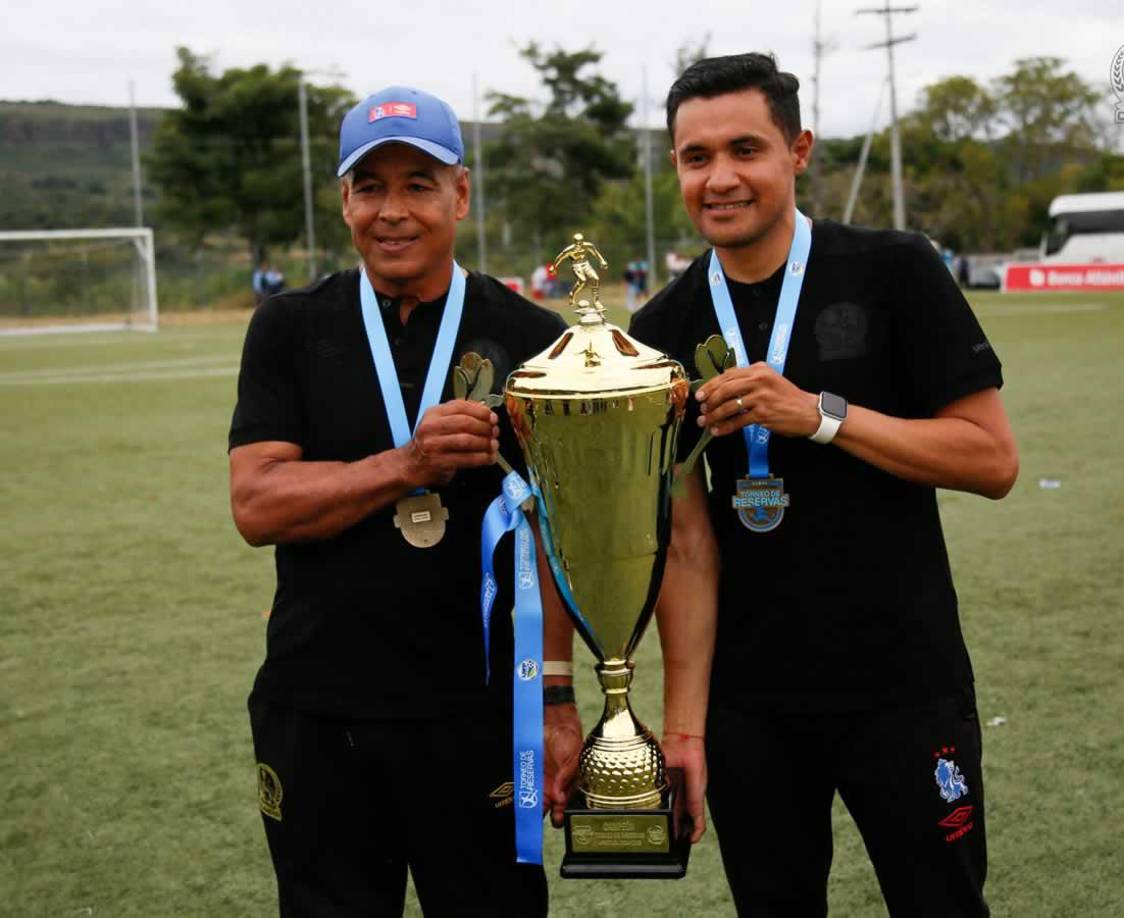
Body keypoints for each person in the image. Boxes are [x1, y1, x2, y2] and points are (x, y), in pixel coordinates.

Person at [629, 53, 1019, 917]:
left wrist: (820, 414)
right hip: (750, 708)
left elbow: (991, 460)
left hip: (902, 688)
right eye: (697, 158)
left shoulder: (894, 269)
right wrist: (686, 727)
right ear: (677, 170)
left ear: (797, 149)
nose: (721, 178)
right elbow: (686, 547)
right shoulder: (659, 329)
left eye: (745, 149)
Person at [228, 84, 581, 918]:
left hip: (481, 715)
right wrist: (405, 465)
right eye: (370, 186)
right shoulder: (288, 328)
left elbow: (555, 537)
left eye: (418, 185)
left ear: (461, 193)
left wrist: (559, 702)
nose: (393, 211)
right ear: (344, 200)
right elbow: (257, 505)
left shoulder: (534, 338)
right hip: (318, 711)